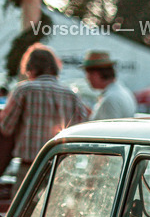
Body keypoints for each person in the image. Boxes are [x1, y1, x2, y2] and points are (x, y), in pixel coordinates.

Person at [0, 44, 89, 189]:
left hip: (29, 168)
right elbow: (82, 130)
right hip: (61, 167)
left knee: (24, 210)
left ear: (31, 68)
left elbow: (6, 128)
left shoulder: (23, 90)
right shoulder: (71, 94)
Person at [84, 50, 137, 120]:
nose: (87, 78)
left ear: (96, 74)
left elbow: (103, 129)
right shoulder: (123, 91)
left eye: (88, 74)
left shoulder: (110, 99)